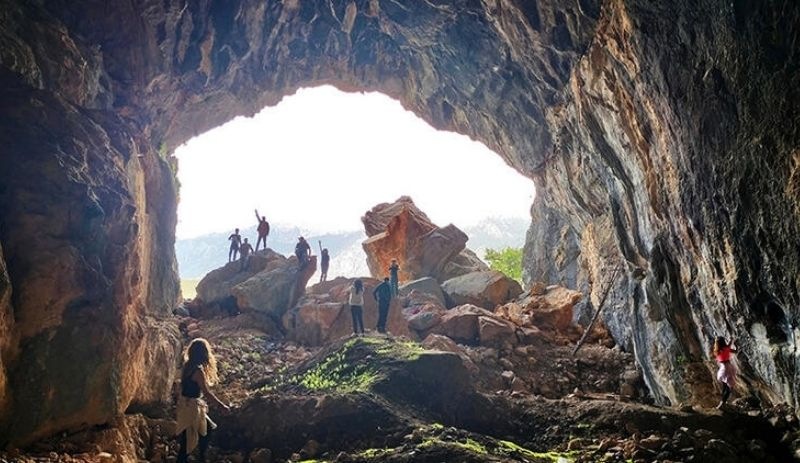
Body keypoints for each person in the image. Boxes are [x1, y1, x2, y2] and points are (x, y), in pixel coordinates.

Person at [175, 338, 230, 463]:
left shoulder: (187, 366)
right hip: (192, 408)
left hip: (186, 405)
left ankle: (201, 457)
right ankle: (200, 457)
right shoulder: (198, 371)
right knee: (187, 442)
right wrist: (221, 406)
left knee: (203, 431)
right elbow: (207, 393)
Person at [713, 336, 738, 409]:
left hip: (722, 368)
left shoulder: (716, 351)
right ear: (723, 342)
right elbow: (735, 351)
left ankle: (722, 402)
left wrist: (731, 341)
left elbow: (728, 346)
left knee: (724, 386)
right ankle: (721, 404)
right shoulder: (726, 348)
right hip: (728, 368)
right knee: (729, 388)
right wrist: (735, 344)